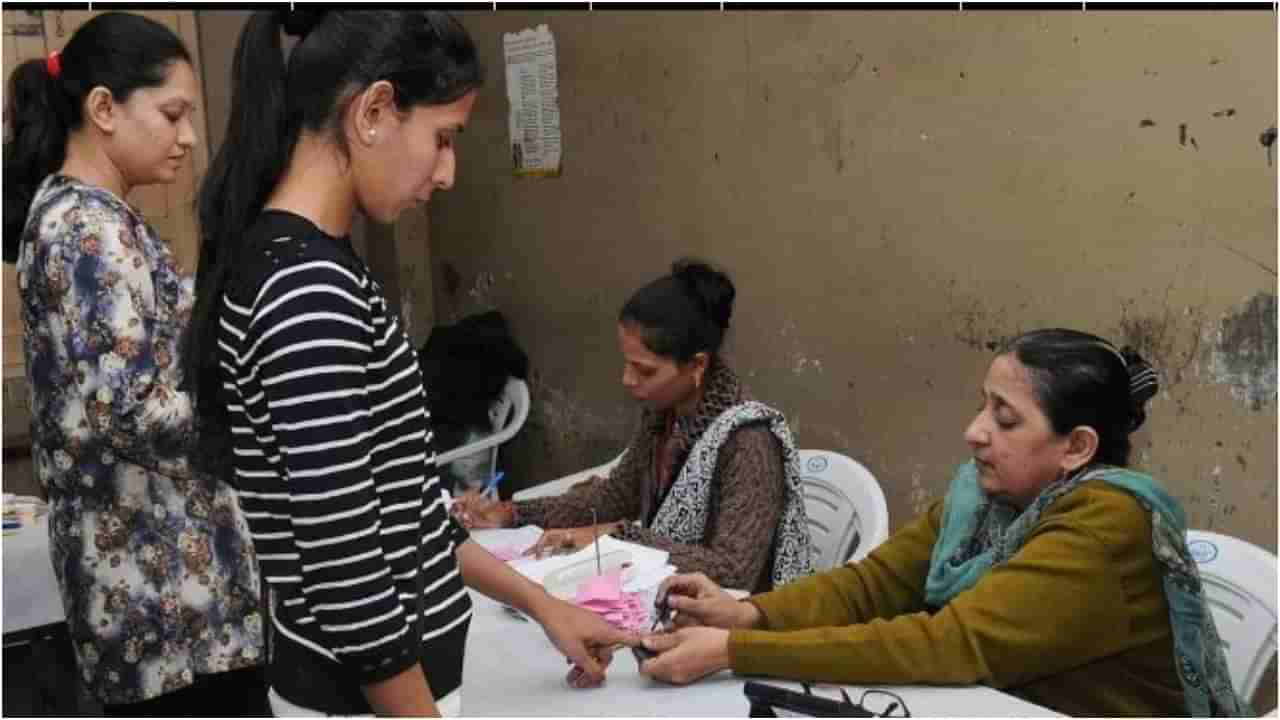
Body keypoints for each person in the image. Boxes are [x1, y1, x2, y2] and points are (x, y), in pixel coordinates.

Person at [183, 11, 631, 716]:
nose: (447, 173)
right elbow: (347, 567)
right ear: (374, 111)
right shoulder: (308, 291)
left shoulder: (309, 268)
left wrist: (543, 604)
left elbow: (407, 511)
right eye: (443, 139)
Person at [636, 329, 1247, 718]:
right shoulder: (983, 498)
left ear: (1077, 447)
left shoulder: (1105, 524)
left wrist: (735, 652)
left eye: (1005, 419)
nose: (975, 431)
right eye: (983, 404)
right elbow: (874, 584)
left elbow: (952, 645)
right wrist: (748, 614)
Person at [3, 12, 267, 716]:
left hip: (170, 595)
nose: (187, 136)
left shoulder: (90, 217)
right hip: (166, 608)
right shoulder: (86, 231)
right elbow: (134, 414)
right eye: (172, 113)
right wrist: (256, 406)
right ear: (103, 109)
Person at [454, 259, 815, 593]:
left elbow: (733, 570)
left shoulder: (748, 440)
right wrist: (513, 513)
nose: (627, 380)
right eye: (627, 363)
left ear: (697, 364)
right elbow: (615, 497)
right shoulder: (664, 414)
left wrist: (616, 537)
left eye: (645, 370)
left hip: (725, 624)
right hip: (663, 594)